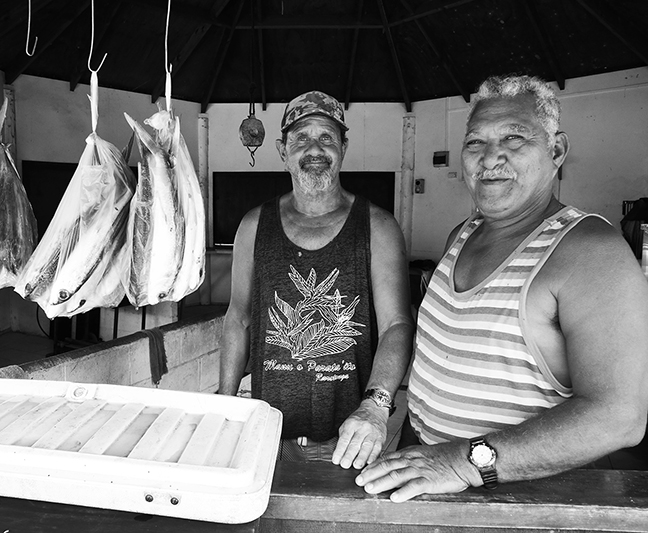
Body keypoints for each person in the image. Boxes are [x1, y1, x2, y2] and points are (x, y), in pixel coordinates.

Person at [355, 75, 648, 501]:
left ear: (557, 150)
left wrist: (464, 461)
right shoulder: (464, 232)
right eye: (475, 142)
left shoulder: (589, 251)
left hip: (512, 493)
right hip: (423, 467)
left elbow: (619, 415)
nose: (491, 157)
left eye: (514, 137)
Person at [218, 91, 414, 468]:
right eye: (301, 138)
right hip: (267, 427)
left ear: (343, 145)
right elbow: (238, 318)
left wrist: (376, 406)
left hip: (351, 434)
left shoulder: (378, 226)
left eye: (326, 137)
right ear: (281, 148)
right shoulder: (254, 225)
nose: (315, 148)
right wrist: (227, 401)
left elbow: (396, 325)